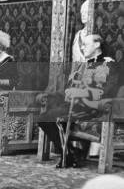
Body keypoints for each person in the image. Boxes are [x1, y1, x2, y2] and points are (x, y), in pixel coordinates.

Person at [38, 34, 119, 168]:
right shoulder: (83, 65)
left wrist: (81, 93)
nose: (82, 47)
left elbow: (107, 91)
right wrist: (63, 94)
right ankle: (70, 153)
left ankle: (68, 154)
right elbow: (70, 87)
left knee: (52, 117)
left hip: (94, 107)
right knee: (43, 118)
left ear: (97, 44)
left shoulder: (108, 64)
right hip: (75, 105)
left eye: (85, 44)